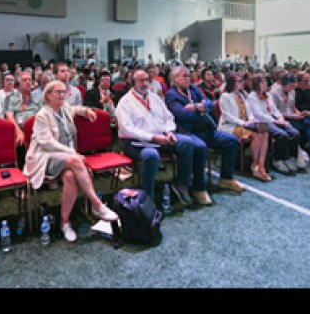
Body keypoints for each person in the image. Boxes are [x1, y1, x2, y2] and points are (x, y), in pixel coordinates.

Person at [22, 80, 119, 243]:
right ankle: (97, 204)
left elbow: (74, 109)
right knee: (75, 160)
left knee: (70, 178)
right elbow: (47, 143)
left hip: (65, 158)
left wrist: (86, 111)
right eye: (57, 92)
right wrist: (71, 152)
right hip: (45, 157)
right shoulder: (42, 115)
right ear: (48, 95)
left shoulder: (65, 108)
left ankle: (64, 222)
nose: (61, 95)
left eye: (63, 92)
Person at [116, 68, 198, 206]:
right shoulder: (125, 102)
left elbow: (168, 117)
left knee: (187, 143)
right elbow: (127, 129)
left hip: (161, 138)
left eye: (147, 80)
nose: (145, 83)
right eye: (141, 80)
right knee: (151, 155)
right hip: (135, 142)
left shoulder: (154, 98)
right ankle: (148, 199)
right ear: (133, 83)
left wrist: (169, 131)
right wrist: (152, 137)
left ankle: (181, 184)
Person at [165, 65, 242, 196]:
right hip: (189, 133)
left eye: (189, 75)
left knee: (232, 141)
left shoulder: (193, 89)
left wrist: (195, 106)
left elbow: (210, 104)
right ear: (175, 78)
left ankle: (226, 178)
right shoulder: (171, 94)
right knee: (201, 147)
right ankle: (198, 187)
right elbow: (182, 114)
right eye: (184, 76)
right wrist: (201, 109)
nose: (188, 78)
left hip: (207, 130)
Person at [218, 72, 272, 182]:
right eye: (239, 81)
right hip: (230, 127)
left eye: (242, 81)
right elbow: (227, 116)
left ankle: (260, 165)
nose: (243, 83)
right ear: (232, 83)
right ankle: (254, 165)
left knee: (265, 132)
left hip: (243, 125)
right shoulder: (225, 96)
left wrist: (251, 119)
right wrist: (244, 123)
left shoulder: (243, 95)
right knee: (256, 136)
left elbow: (249, 111)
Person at [247, 73, 302, 176]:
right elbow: (258, 114)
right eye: (262, 83)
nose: (265, 84)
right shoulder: (252, 97)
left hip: (274, 120)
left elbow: (275, 111)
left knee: (295, 133)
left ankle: (290, 158)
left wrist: (281, 119)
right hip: (263, 122)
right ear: (257, 84)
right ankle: (278, 159)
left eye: (265, 82)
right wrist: (276, 121)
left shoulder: (268, 95)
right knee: (282, 135)